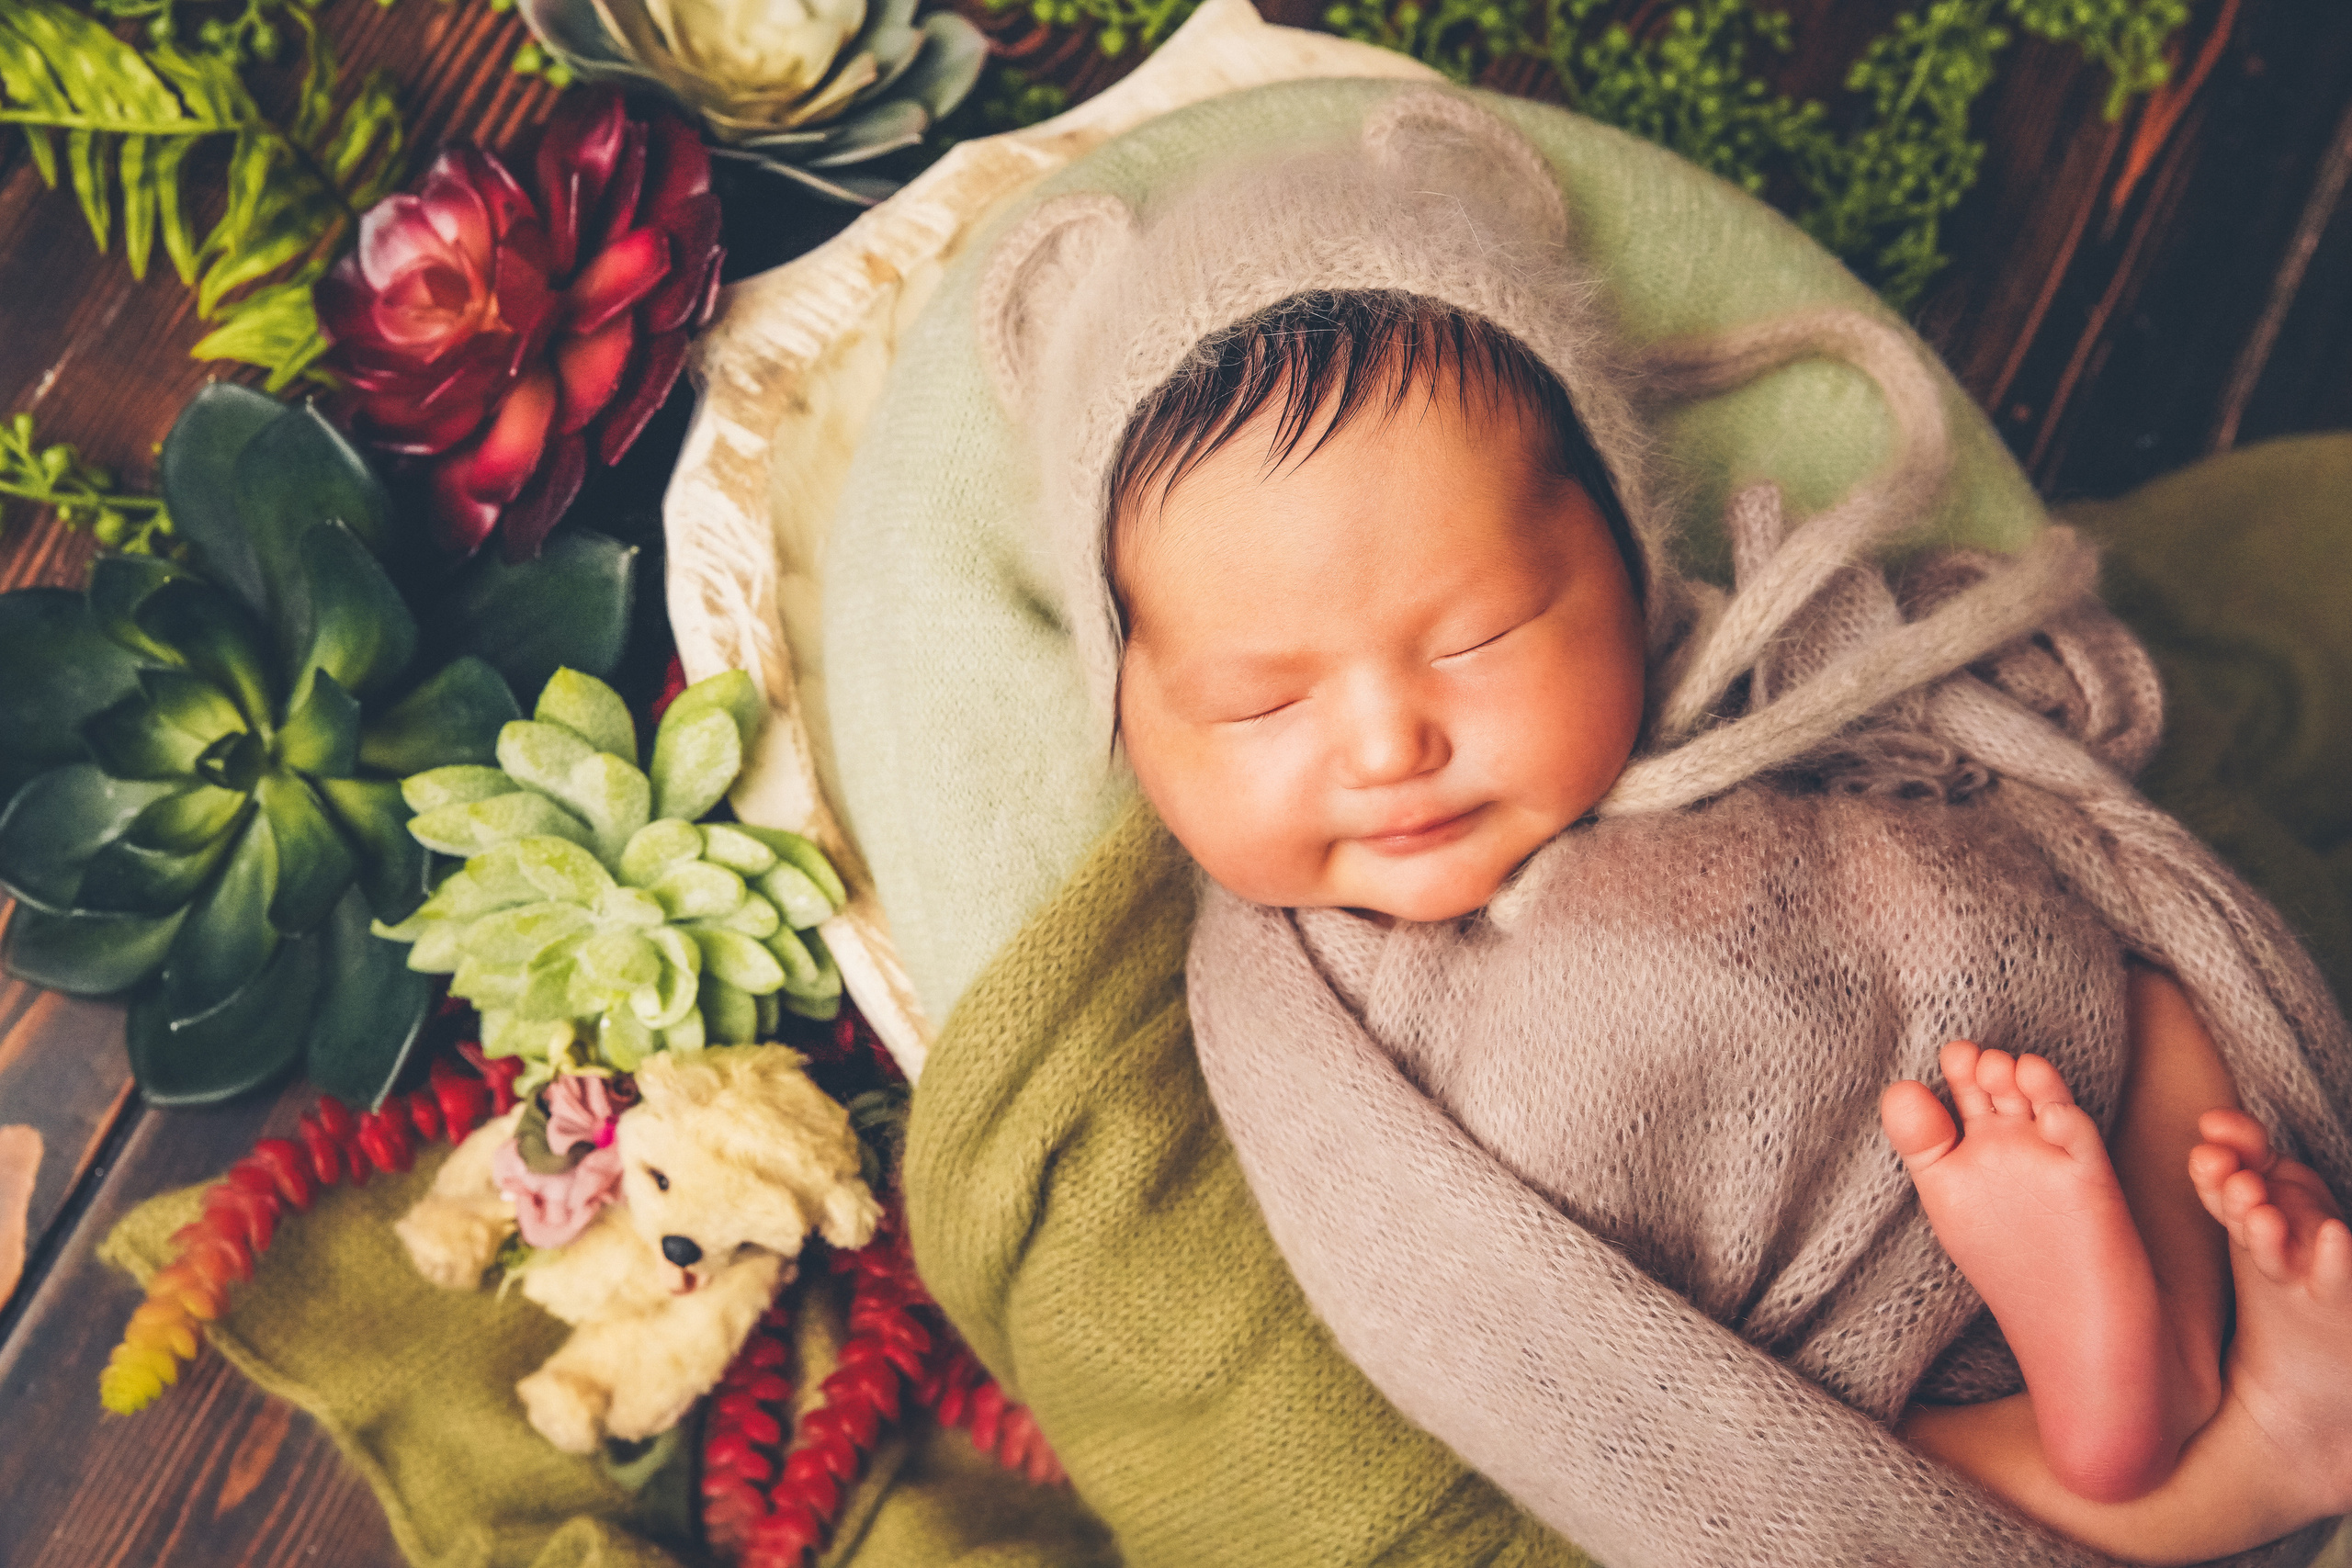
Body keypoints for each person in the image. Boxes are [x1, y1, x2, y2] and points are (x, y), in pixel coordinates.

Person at [981, 86, 2352, 1566]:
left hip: (2025, 1058)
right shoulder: (1296, 1007)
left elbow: (2052, 803)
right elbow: (1517, 1336)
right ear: (1134, 731)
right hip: (1808, 1322)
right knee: (1822, 1448)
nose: (1389, 744)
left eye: (1481, 634)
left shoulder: (1780, 680)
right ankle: (2188, 1432)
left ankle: (2174, 1346)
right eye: (1260, 705)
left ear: (1631, 569)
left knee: (2158, 1004)